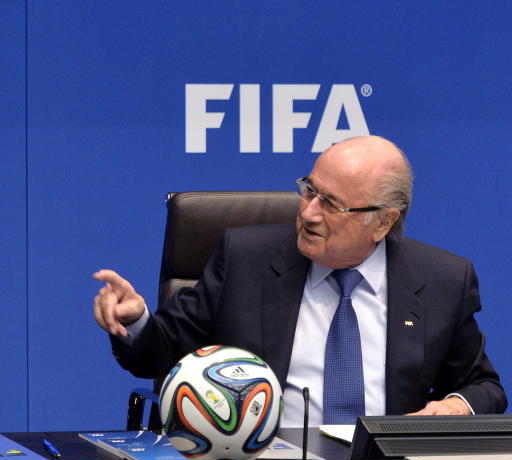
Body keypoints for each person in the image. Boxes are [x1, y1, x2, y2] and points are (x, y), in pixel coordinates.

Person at [93, 135, 505, 427]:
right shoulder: (246, 260)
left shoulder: (441, 280)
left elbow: (483, 386)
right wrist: (135, 320)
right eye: (309, 191)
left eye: (331, 205)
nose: (308, 213)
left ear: (382, 221)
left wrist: (455, 406)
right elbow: (159, 352)